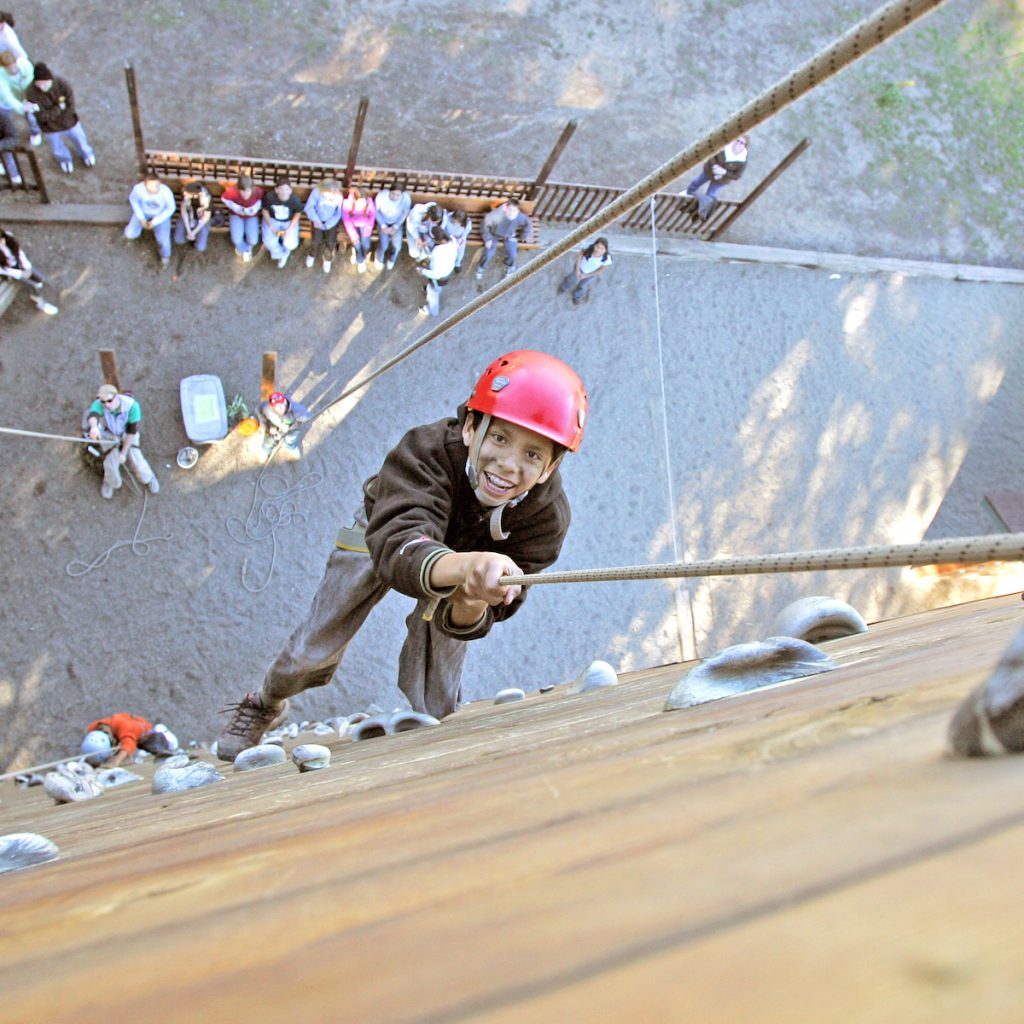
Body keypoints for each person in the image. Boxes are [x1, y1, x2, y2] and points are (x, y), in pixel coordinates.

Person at [216, 349, 588, 761]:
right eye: (499, 438)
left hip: (467, 568)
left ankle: (427, 739)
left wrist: (472, 598)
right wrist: (468, 566)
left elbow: (486, 616)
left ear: (550, 468)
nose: (508, 465)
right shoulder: (426, 450)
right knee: (314, 645)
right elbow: (399, 545)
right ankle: (267, 699)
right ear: (470, 428)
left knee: (439, 694)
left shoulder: (546, 520)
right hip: (387, 528)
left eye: (533, 455)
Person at [85, 383, 159, 500]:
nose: (106, 405)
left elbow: (131, 432)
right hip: (109, 434)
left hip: (127, 435)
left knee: (137, 461)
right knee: (110, 465)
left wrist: (124, 452)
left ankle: (148, 478)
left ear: (117, 396)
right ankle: (110, 481)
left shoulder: (132, 406)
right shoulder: (100, 403)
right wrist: (94, 427)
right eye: (103, 402)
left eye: (109, 401)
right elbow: (93, 415)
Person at [23, 62, 94, 173]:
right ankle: (65, 159)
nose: (42, 86)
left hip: (69, 122)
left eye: (45, 83)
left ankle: (86, 154)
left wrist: (59, 115)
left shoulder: (62, 84)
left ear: (50, 79)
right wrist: (59, 108)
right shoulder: (31, 93)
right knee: (56, 147)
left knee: (80, 139)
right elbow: (41, 116)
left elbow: (71, 105)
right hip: (49, 127)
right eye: (39, 83)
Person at [682, 136, 749, 216]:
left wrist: (724, 172)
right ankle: (688, 193)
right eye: (738, 140)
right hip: (709, 171)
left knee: (710, 194)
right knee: (696, 182)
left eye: (742, 143)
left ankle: (700, 209)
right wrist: (714, 166)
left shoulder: (742, 160)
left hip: (721, 180)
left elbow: (737, 175)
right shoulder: (725, 147)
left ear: (744, 146)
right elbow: (712, 155)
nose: (738, 144)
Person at [81, 715, 178, 768]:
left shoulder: (124, 726)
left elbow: (128, 744)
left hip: (144, 733)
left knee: (157, 745)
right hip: (127, 729)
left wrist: (115, 761)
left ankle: (162, 732)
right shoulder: (93, 728)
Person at [0, 227, 57, 313]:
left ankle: (37, 284)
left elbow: (19, 252)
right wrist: (20, 273)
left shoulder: (8, 238)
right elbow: (3, 270)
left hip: (18, 265)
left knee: (40, 278)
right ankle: (41, 303)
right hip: (8, 273)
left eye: (1, 239)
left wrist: (26, 265)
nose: (1, 242)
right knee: (32, 285)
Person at [124, 175, 175, 267]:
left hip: (160, 215)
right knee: (130, 234)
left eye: (157, 186)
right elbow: (133, 200)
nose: (154, 189)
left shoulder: (166, 192)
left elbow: (171, 208)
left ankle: (165, 256)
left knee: (163, 240)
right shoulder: (138, 189)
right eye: (151, 186)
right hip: (143, 213)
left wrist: (155, 221)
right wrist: (141, 218)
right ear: (145, 185)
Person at [476, 198, 532, 279]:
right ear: (505, 208)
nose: (512, 213)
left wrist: (523, 236)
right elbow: (484, 225)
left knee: (513, 254)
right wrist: (487, 238)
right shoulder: (495, 215)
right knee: (488, 253)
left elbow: (528, 224)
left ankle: (509, 266)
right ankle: (481, 267)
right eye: (510, 210)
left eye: (514, 210)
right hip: (494, 234)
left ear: (518, 211)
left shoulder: (520, 217)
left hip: (509, 236)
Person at [303, 177, 343, 274]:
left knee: (331, 242)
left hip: (331, 221)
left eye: (334, 193)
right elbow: (309, 207)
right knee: (316, 240)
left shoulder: (338, 196)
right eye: (329, 193)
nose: (331, 195)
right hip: (317, 219)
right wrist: (316, 219)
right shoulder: (316, 192)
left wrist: (329, 224)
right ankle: (312, 254)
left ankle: (327, 258)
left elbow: (338, 213)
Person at [417, 225, 458, 318]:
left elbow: (436, 273)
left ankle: (432, 310)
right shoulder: (452, 240)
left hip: (439, 277)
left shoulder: (438, 252)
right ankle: (430, 289)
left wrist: (422, 271)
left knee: (433, 294)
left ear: (438, 240)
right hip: (448, 271)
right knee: (436, 288)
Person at [221, 173, 264, 262]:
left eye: (248, 191)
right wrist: (236, 208)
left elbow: (262, 200)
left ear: (252, 189)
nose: (245, 194)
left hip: (251, 215)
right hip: (236, 214)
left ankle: (248, 247)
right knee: (236, 239)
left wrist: (254, 209)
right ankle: (244, 249)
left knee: (253, 240)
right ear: (238, 188)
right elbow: (224, 199)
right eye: (242, 191)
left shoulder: (258, 191)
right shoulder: (232, 191)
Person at [557, 237, 611, 306]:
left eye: (602, 249)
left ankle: (577, 297)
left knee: (583, 286)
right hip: (579, 268)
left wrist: (587, 275)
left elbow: (602, 269)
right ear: (594, 245)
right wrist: (577, 270)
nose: (598, 250)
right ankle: (563, 287)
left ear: (606, 250)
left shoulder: (606, 258)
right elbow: (579, 257)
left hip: (590, 274)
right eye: (597, 247)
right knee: (571, 279)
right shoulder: (588, 247)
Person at [261, 178, 302, 269]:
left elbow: (297, 213)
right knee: (269, 242)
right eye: (281, 189)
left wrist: (289, 229)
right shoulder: (269, 197)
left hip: (288, 221)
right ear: (276, 190)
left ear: (290, 190)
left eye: (286, 189)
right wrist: (271, 226)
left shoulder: (294, 200)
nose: (284, 192)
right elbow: (265, 210)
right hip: (273, 219)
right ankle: (280, 254)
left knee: (291, 244)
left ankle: (285, 252)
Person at [0, 47, 38, 142]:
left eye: (13, 66)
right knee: (28, 116)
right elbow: (7, 96)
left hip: (31, 94)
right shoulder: (1, 76)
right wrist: (22, 107)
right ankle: (35, 132)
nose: (13, 70)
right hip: (16, 99)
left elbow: (31, 80)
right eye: (9, 68)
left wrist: (30, 99)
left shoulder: (25, 64)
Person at [258, 390, 310, 456]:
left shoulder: (298, 411)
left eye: (280, 406)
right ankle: (265, 450)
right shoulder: (266, 408)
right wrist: (268, 427)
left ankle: (290, 447)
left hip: (292, 429)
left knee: (290, 439)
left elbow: (307, 418)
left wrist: (290, 427)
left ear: (285, 402)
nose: (278, 409)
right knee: (268, 441)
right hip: (275, 427)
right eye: (275, 407)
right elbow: (259, 412)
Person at [374, 185, 411, 270]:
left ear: (401, 195)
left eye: (398, 195)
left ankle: (392, 259)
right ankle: (379, 258)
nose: (395, 197)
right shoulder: (381, 196)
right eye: (392, 194)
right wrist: (383, 225)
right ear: (389, 192)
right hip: (383, 222)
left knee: (397, 246)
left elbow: (404, 213)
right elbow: (375, 211)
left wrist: (396, 226)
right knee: (384, 245)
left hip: (396, 223)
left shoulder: (406, 198)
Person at [341, 186, 375, 273]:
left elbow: (372, 215)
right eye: (359, 203)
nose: (362, 205)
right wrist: (353, 234)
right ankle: (360, 260)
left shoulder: (369, 202)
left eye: (364, 203)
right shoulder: (347, 203)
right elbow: (346, 219)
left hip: (365, 224)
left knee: (366, 244)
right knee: (357, 243)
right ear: (354, 200)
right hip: (353, 225)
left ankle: (361, 256)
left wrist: (368, 228)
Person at [173, 181, 212, 252]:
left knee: (201, 247)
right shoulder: (184, 192)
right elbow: (184, 211)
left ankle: (195, 242)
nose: (185, 196)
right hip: (189, 214)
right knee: (179, 240)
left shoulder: (205, 198)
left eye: (187, 194)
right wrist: (188, 230)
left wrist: (193, 232)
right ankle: (187, 238)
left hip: (201, 217)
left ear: (195, 195)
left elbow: (205, 217)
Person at [442, 208, 471, 272]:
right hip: (447, 237)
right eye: (453, 220)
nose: (455, 223)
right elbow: (442, 229)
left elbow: (465, 234)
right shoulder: (446, 218)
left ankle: (457, 263)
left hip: (458, 239)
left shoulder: (467, 222)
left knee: (460, 252)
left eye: (457, 222)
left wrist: (460, 241)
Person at [0, 106, 22, 184]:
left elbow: (14, 137)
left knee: (8, 159)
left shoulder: (3, 116)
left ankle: (13, 174)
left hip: (3, 144)